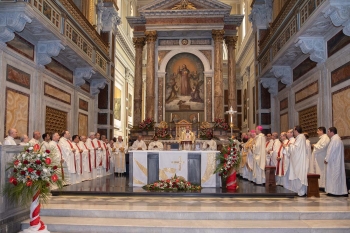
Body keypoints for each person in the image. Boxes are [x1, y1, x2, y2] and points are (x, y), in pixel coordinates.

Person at [284, 125, 308, 196]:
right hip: (297, 159)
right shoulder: (299, 138)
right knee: (296, 175)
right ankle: (298, 191)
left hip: (299, 160)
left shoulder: (300, 137)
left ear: (296, 131)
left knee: (299, 175)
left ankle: (301, 192)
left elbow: (295, 149)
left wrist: (289, 146)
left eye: (294, 131)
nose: (293, 132)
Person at [324, 127, 348, 196]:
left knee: (334, 176)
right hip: (336, 160)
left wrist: (326, 159)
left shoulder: (334, 140)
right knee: (336, 176)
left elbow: (330, 151)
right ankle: (336, 191)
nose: (327, 133)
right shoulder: (338, 139)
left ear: (332, 132)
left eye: (328, 131)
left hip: (334, 161)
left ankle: (335, 191)